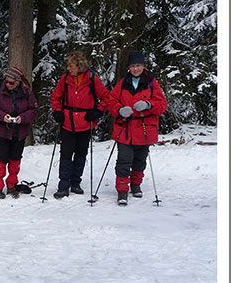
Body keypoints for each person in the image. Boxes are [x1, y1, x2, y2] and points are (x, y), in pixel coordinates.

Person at [107, 51, 168, 205]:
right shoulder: (122, 83)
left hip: (144, 129)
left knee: (140, 161)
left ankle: (136, 185)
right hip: (125, 129)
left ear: (144, 66)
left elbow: (162, 105)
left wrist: (148, 105)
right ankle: (122, 190)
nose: (135, 69)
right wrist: (120, 110)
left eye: (138, 65)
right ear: (129, 67)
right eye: (133, 66)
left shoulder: (152, 83)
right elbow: (111, 101)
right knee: (123, 161)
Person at [50, 50, 110, 199]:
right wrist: (57, 112)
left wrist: (98, 111)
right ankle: (63, 186)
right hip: (67, 122)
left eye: (71, 65)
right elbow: (55, 97)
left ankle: (75, 183)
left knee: (81, 154)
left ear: (79, 65)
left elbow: (106, 97)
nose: (68, 68)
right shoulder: (65, 79)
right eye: (68, 66)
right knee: (65, 154)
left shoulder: (91, 79)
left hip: (85, 123)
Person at [0, 66, 39, 198]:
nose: (8, 84)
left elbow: (34, 110)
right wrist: (2, 116)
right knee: (0, 158)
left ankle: (11, 185)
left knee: (15, 158)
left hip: (19, 131)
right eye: (7, 81)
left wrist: (23, 118)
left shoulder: (27, 93)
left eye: (11, 82)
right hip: (2, 131)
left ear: (18, 82)